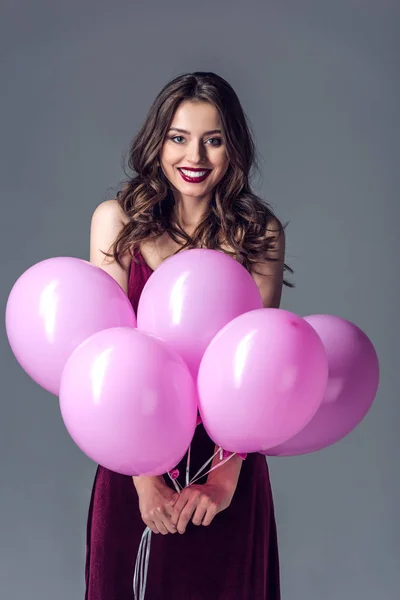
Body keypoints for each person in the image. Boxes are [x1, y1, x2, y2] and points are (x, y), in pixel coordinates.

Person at [86, 71, 293, 600]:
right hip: (133, 451)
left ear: (234, 148)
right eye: (179, 137)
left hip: (226, 462)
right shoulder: (116, 222)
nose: (194, 156)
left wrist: (224, 480)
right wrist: (143, 478)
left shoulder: (258, 233)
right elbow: (105, 360)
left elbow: (261, 371)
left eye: (213, 139)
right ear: (158, 142)